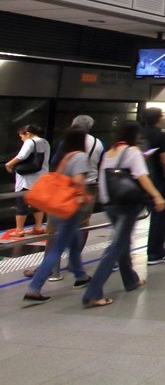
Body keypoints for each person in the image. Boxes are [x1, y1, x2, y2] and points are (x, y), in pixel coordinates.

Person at [82, 121, 165, 308]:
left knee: (123, 243)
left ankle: (131, 280)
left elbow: (104, 180)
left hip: (111, 203)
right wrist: (157, 195)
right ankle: (93, 292)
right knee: (116, 246)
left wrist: (105, 201)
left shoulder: (110, 152)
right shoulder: (133, 152)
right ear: (135, 135)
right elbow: (141, 176)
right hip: (128, 204)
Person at [23, 115, 105, 281]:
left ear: (73, 125)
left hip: (65, 190)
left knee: (54, 230)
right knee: (81, 227)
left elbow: (55, 163)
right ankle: (75, 268)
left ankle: (51, 270)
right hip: (89, 189)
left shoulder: (68, 143)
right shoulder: (98, 143)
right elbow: (102, 166)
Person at [22, 129, 93, 305]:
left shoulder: (64, 157)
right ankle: (34, 288)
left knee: (74, 242)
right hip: (68, 208)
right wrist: (85, 195)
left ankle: (80, 276)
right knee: (57, 249)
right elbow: (77, 181)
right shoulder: (80, 157)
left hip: (55, 207)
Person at [140, 107, 165, 265]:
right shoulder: (161, 136)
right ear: (160, 119)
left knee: (127, 221)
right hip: (156, 182)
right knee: (158, 218)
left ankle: (118, 256)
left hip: (136, 184)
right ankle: (155, 253)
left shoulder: (138, 135)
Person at [4, 125, 49, 237]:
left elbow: (22, 156)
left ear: (28, 133)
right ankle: (38, 227)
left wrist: (9, 164)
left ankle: (19, 230)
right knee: (37, 203)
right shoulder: (44, 142)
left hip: (27, 179)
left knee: (21, 203)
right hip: (41, 178)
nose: (21, 139)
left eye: (22, 136)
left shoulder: (30, 142)